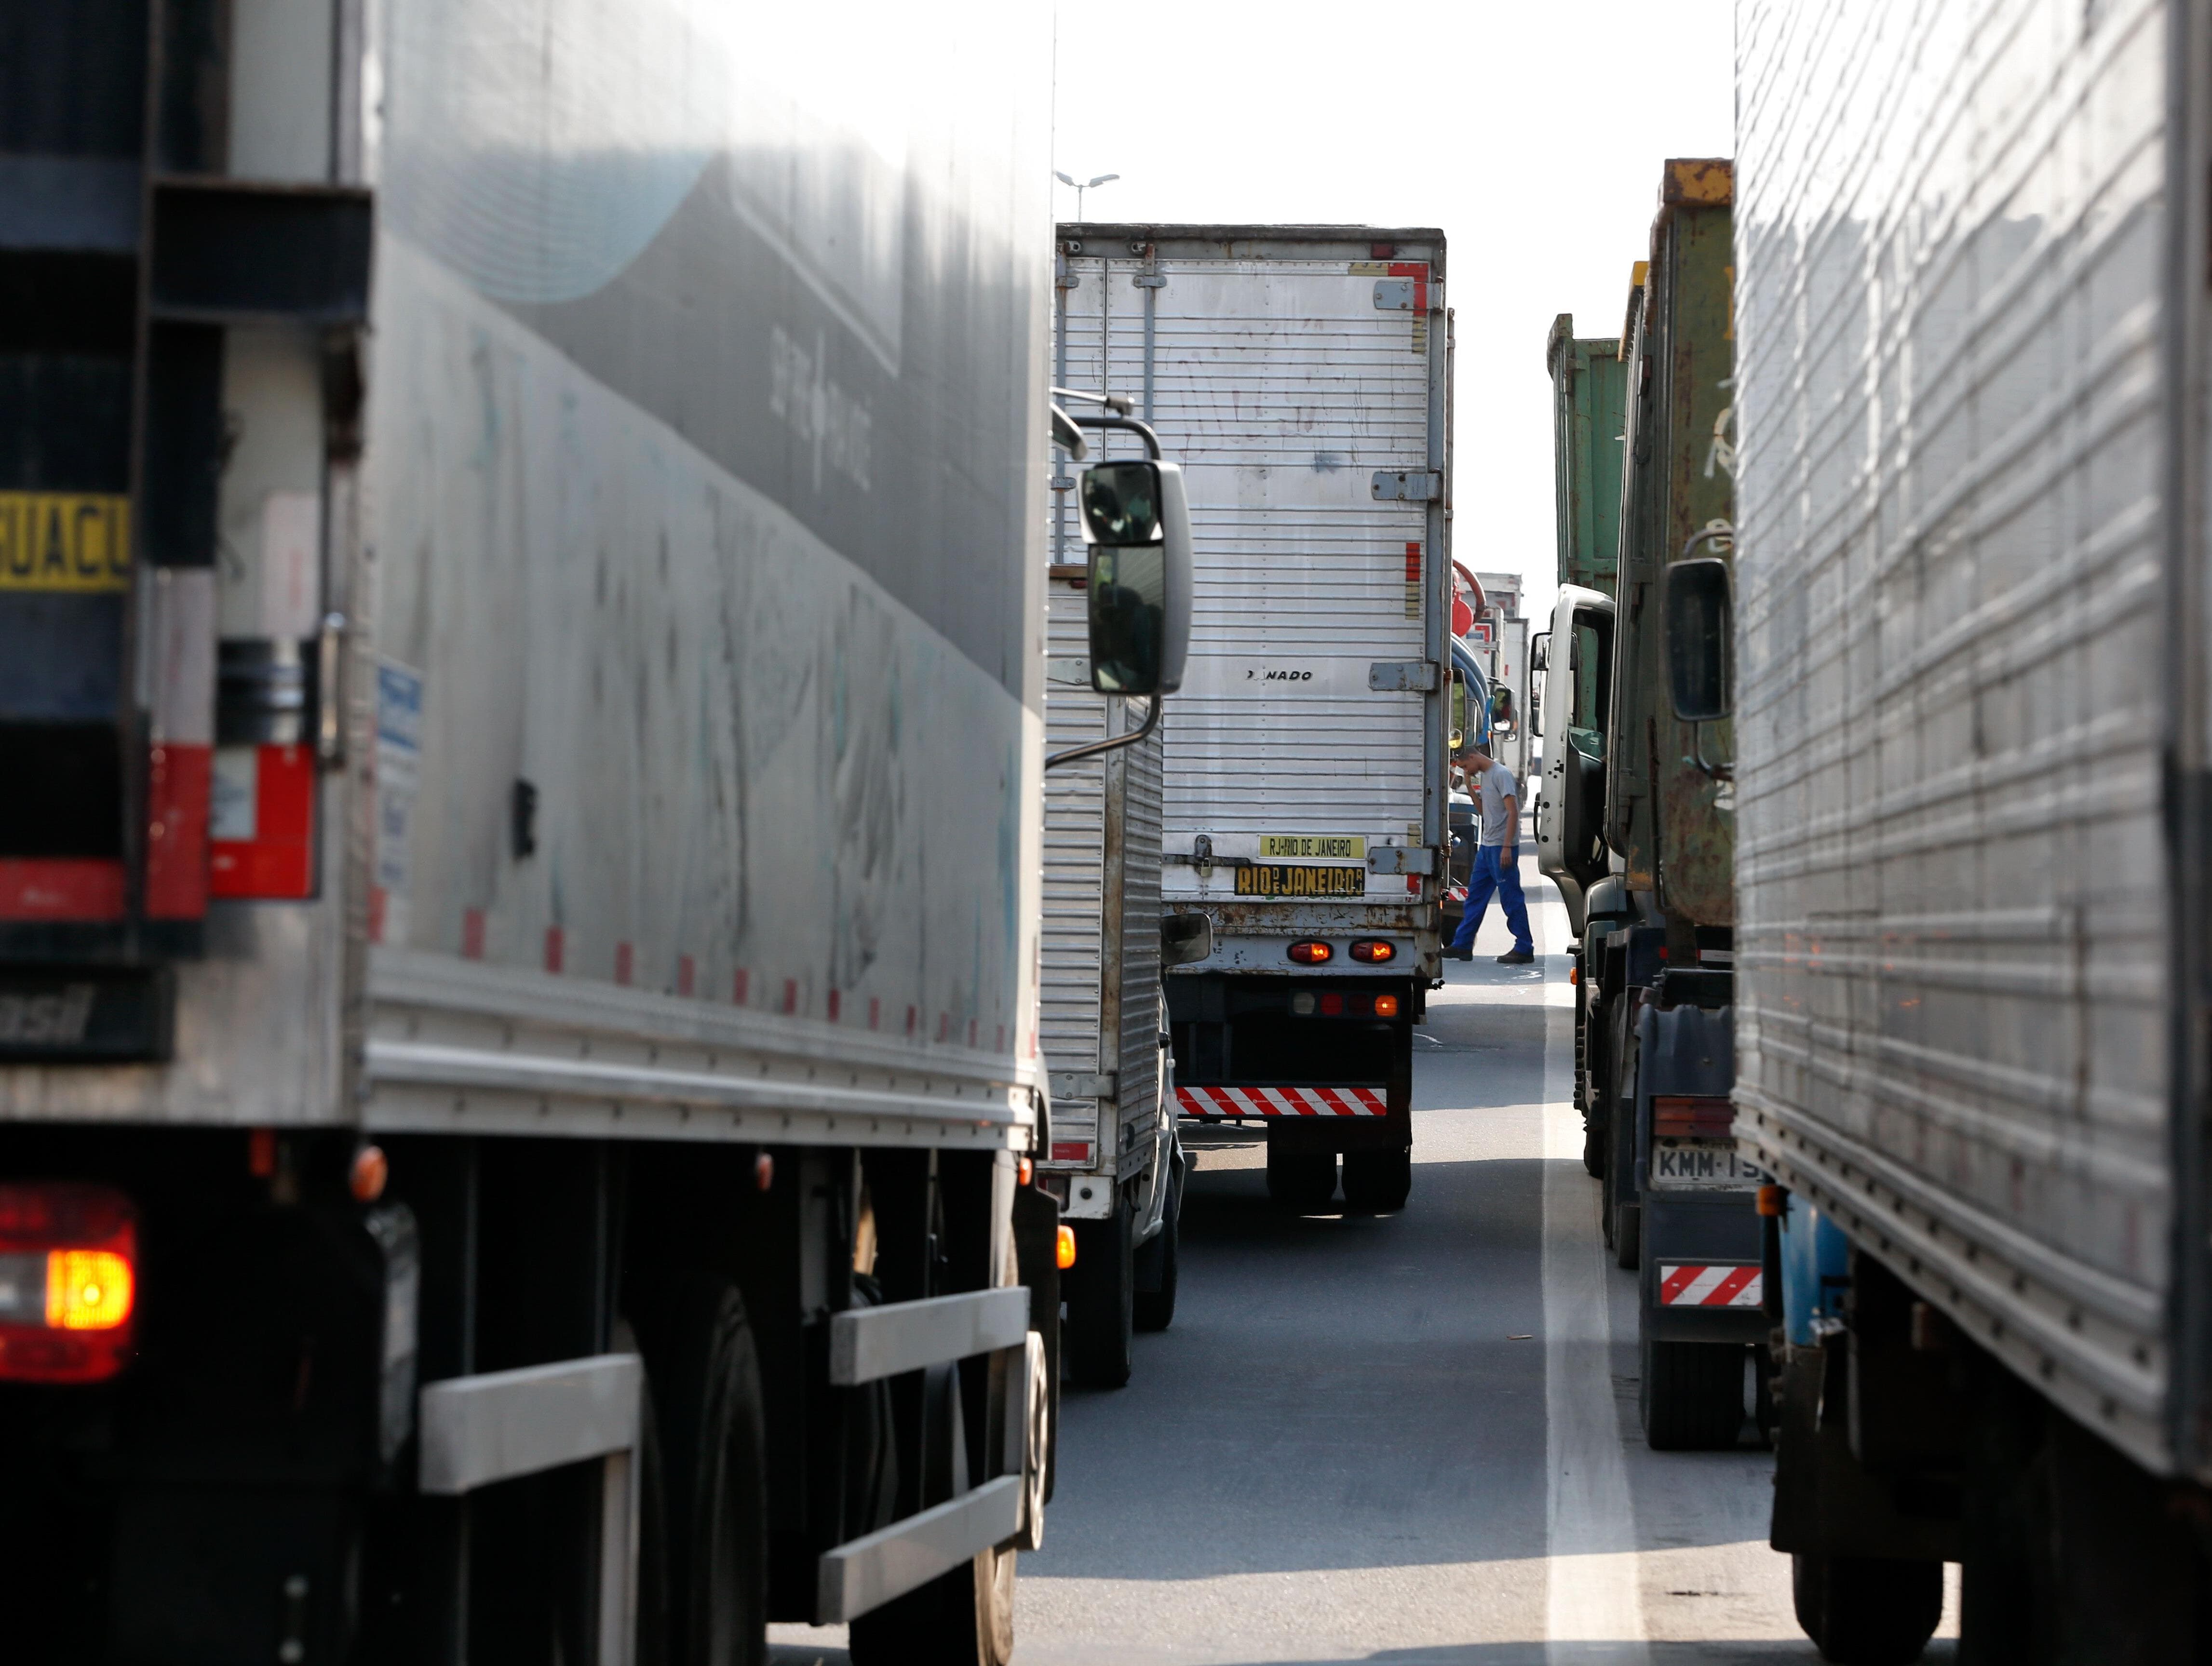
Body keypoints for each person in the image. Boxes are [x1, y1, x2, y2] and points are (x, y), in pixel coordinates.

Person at [1446, 742, 1534, 964]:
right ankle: (1463, 945)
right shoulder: (1483, 775)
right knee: (1474, 897)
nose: (1466, 771)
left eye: (1466, 767)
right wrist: (1469, 784)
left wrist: (1507, 847)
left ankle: (1524, 947)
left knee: (1511, 898)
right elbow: (1485, 812)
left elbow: (1513, 813)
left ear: (1475, 757)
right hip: (1487, 848)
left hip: (1501, 848)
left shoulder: (1501, 774)